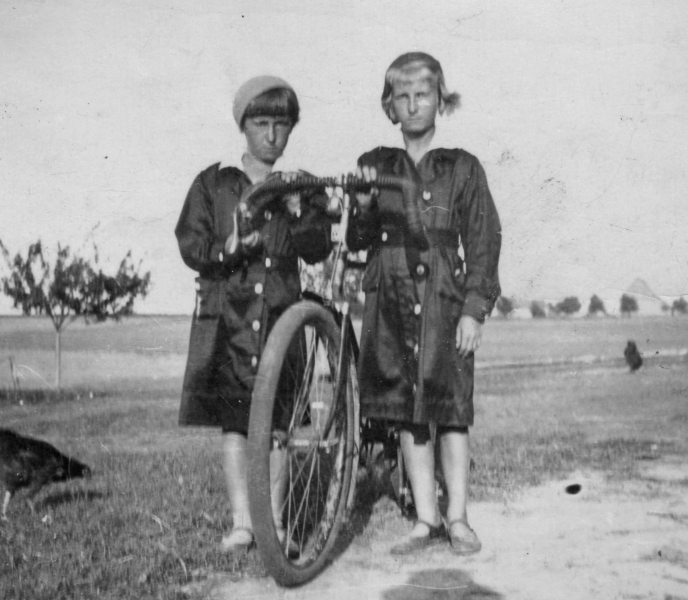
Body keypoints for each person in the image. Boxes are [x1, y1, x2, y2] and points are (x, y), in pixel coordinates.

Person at [347, 52, 502, 556]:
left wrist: (474, 310)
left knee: (451, 411)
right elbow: (357, 238)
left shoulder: (462, 167)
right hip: (389, 297)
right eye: (403, 97)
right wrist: (364, 207)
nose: (414, 105)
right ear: (390, 107)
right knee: (408, 413)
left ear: (441, 101)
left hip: (443, 298)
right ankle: (426, 519)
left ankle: (457, 517)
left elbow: (483, 242)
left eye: (424, 95)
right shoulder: (376, 164)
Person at [175, 76, 332, 552]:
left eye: (281, 125)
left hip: (282, 317)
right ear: (242, 125)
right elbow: (190, 243)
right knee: (235, 424)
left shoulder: (302, 186)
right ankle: (244, 521)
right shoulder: (215, 182)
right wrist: (229, 248)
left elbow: (317, 248)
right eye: (261, 123)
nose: (271, 135)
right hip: (230, 320)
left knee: (279, 426)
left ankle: (277, 525)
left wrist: (300, 209)